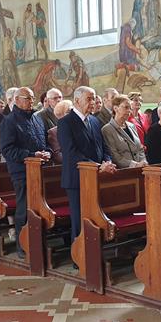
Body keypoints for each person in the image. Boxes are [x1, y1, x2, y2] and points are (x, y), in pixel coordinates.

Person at [57, 86, 116, 241]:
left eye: (94, 98)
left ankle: (94, 249)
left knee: (94, 217)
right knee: (80, 219)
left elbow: (103, 147)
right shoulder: (65, 123)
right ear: (77, 101)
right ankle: (78, 251)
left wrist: (107, 161)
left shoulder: (95, 121)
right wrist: (97, 166)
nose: (93, 102)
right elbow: (71, 152)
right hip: (76, 179)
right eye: (89, 99)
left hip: (96, 176)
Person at [0, 87, 51, 256]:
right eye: (28, 98)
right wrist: (31, 155)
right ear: (17, 100)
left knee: (39, 207)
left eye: (32, 98)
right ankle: (22, 245)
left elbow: (44, 141)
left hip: (40, 170)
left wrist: (47, 152)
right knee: (24, 209)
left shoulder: (36, 118)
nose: (31, 101)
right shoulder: (9, 121)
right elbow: (7, 150)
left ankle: (37, 241)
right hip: (21, 172)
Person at [102, 96, 147, 168]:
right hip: (123, 171)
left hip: (141, 168)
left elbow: (140, 149)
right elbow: (115, 156)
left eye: (130, 108)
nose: (129, 111)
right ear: (115, 108)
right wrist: (135, 165)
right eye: (126, 107)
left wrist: (143, 162)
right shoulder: (107, 129)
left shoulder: (132, 126)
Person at [47, 100, 73, 164]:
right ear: (61, 116)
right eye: (69, 112)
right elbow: (58, 156)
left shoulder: (80, 127)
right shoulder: (54, 132)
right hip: (70, 165)